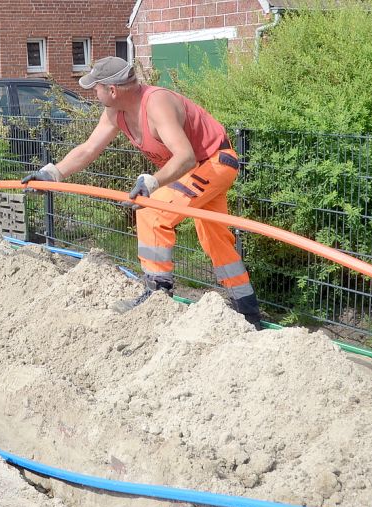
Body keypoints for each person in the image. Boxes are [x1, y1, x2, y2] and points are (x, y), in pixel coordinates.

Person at [22, 56, 262, 328]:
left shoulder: (156, 104)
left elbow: (185, 157)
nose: (93, 93)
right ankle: (248, 311)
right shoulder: (115, 112)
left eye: (96, 88)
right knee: (214, 236)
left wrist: (152, 183)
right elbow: (89, 149)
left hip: (214, 162)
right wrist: (51, 174)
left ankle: (157, 294)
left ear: (112, 90)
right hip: (200, 168)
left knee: (152, 210)